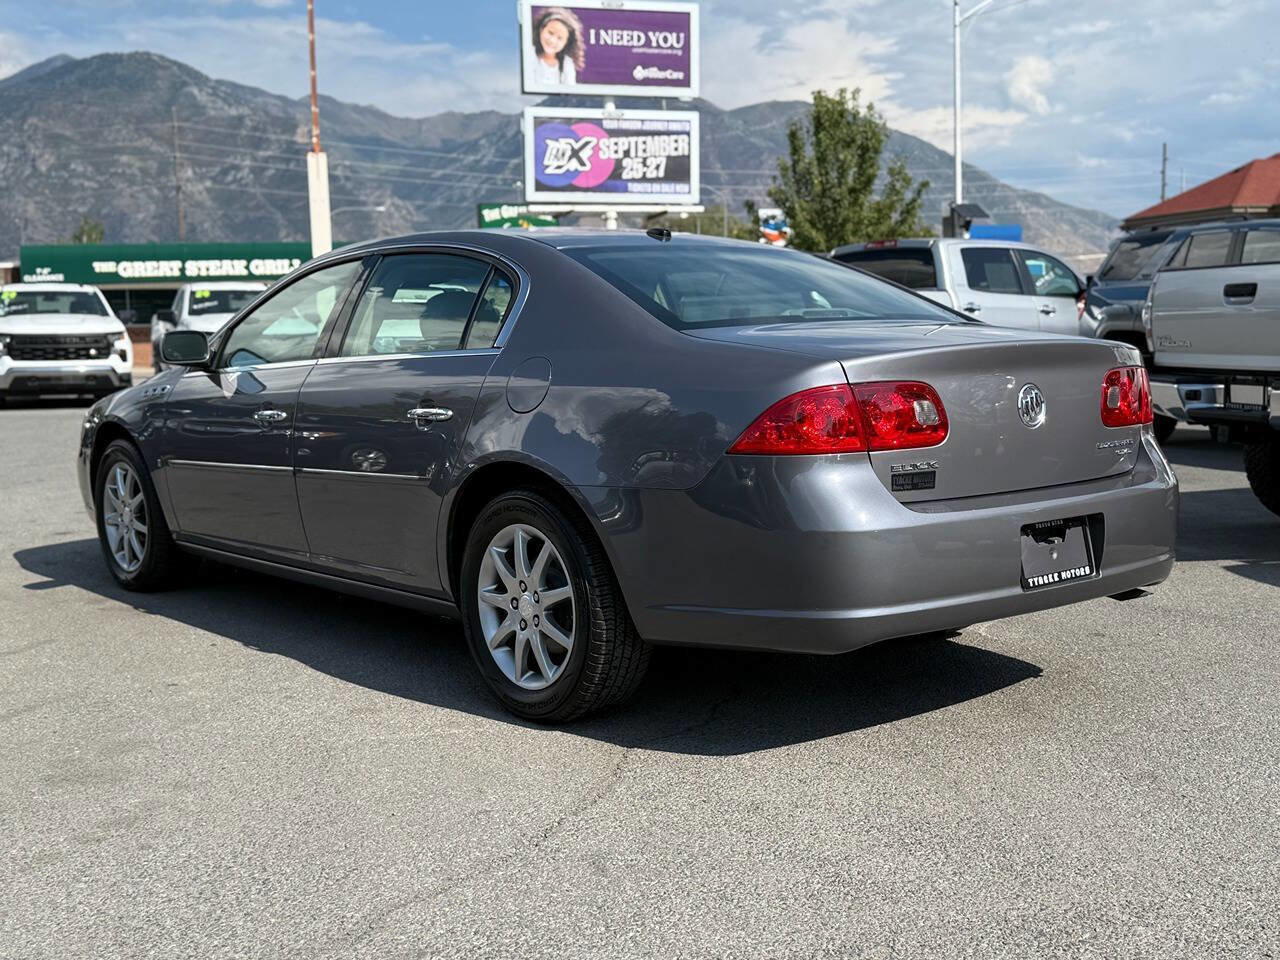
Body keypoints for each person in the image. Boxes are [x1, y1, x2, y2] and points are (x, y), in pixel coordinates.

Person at [530, 6, 584, 86]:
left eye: (559, 38)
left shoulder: (567, 64)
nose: (552, 41)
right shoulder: (530, 54)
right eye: (550, 33)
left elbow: (570, 90)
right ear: (542, 29)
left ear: (566, 42)